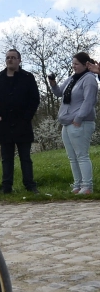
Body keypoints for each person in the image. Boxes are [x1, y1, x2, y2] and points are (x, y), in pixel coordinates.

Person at [0, 49, 40, 195]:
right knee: (6, 158)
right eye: (8, 58)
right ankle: (6, 187)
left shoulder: (28, 77)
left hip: (23, 124)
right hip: (4, 125)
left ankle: (30, 185)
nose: (10, 60)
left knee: (25, 158)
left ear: (19, 60)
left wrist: (27, 117)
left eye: (13, 58)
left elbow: (34, 99)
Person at [49, 52, 98, 195]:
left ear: (85, 65)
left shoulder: (89, 79)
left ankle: (87, 186)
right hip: (67, 123)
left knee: (82, 155)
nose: (74, 67)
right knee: (72, 157)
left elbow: (89, 101)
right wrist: (53, 83)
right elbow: (59, 93)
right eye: (73, 64)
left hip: (80, 123)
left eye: (76, 64)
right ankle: (77, 185)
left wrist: (78, 118)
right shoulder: (72, 79)